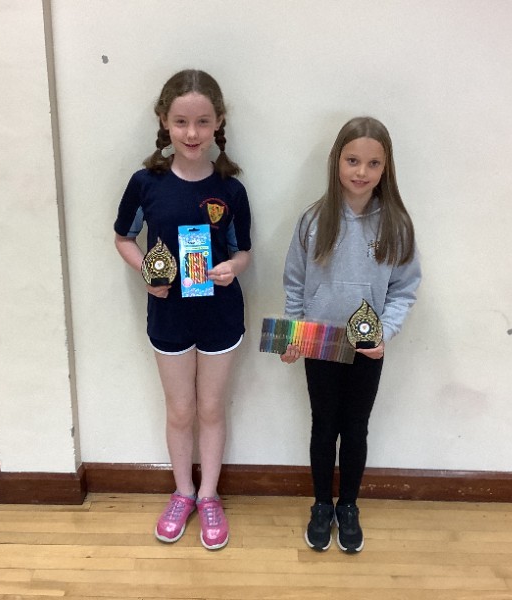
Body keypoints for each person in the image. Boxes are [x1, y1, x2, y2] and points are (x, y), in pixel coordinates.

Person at [113, 69, 251, 551]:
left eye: (203, 122)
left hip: (220, 316)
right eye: (181, 122)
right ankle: (183, 493)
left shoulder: (231, 189)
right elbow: (123, 238)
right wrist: (147, 273)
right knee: (180, 410)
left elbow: (243, 252)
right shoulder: (145, 183)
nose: (192, 133)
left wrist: (231, 267)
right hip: (169, 316)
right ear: (164, 121)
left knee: (210, 408)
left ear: (218, 123)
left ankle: (209, 496)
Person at [280, 116, 421, 553]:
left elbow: (404, 290)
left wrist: (386, 332)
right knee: (324, 426)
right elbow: (294, 282)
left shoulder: (396, 224)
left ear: (386, 168)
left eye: (373, 163)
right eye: (353, 160)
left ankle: (349, 506)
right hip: (321, 343)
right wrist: (294, 330)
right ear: (336, 161)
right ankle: (322, 504)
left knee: (356, 428)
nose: (361, 171)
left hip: (366, 349)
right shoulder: (312, 220)